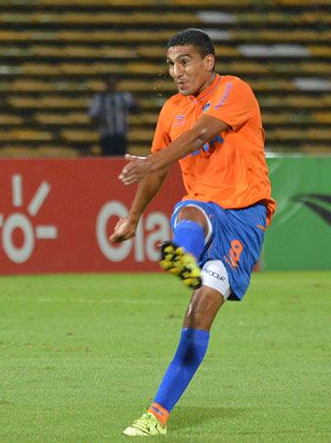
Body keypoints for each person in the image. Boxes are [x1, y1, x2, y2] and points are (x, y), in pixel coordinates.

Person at [109, 28, 276, 436]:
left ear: (209, 62)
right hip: (203, 207)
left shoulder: (234, 90)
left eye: (184, 61)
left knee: (200, 312)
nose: (176, 71)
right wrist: (133, 217)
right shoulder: (171, 110)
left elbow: (202, 133)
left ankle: (188, 269)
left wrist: (151, 162)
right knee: (193, 211)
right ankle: (157, 417)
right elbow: (160, 167)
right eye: (170, 64)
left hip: (245, 216)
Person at [88, 74, 138, 156]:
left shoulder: (124, 96)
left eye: (114, 83)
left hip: (121, 134)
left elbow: (136, 109)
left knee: (120, 158)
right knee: (107, 158)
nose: (112, 85)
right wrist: (101, 121)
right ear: (106, 84)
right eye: (110, 83)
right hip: (106, 135)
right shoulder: (99, 98)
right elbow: (92, 115)